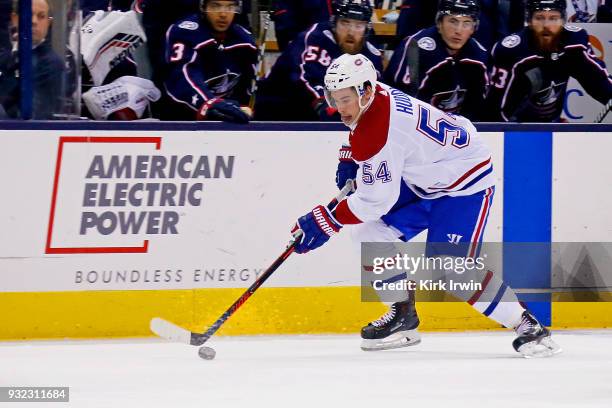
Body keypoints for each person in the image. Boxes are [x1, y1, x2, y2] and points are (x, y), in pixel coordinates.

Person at [290, 52, 562, 358]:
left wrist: (326, 221)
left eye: (345, 99)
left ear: (365, 90)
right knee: (368, 234)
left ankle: (527, 325)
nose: (339, 109)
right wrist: (350, 154)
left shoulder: (378, 128)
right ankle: (403, 316)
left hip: (464, 184)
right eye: (334, 99)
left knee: (452, 271)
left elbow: (375, 201)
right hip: (427, 176)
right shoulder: (375, 95)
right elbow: (371, 140)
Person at [254, 0, 383, 121]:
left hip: (314, 116)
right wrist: (324, 102)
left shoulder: (371, 55)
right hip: (276, 110)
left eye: (358, 25)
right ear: (334, 22)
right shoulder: (315, 38)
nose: (351, 32)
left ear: (367, 28)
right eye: (345, 23)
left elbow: (376, 93)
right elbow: (302, 78)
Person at [486, 0, 612, 122]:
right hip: (512, 130)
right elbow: (494, 109)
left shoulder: (574, 43)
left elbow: (598, 81)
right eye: (539, 18)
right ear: (529, 21)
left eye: (553, 18)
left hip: (551, 126)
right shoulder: (512, 51)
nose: (546, 25)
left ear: (563, 20)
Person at [384, 0, 488, 120]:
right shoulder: (415, 48)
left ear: (473, 28)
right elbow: (400, 103)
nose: (458, 30)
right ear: (439, 23)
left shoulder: (479, 56)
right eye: (453, 21)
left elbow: (476, 108)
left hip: (455, 129)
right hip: (412, 125)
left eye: (466, 23)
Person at [161, 0, 256, 122]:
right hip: (179, 119)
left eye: (230, 7)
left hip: (227, 118)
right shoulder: (184, 32)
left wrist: (245, 107)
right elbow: (181, 75)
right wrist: (208, 102)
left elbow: (250, 85)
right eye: (215, 6)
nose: (223, 14)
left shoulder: (245, 40)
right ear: (203, 7)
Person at [0, 0, 65, 119]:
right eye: (28, 14)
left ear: (48, 23)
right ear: (15, 19)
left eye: (41, 17)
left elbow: (35, 114)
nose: (33, 21)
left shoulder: (51, 64)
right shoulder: (5, 58)